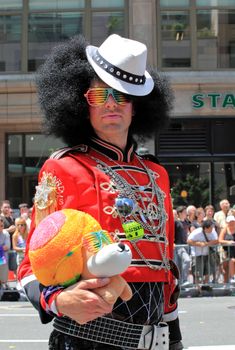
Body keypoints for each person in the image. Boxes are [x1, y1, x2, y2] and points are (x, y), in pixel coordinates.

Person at [18, 34, 183, 350]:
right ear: (82, 103)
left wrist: (174, 337)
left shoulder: (157, 174)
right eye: (99, 96)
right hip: (86, 340)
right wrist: (59, 300)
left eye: (122, 97)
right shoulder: (63, 168)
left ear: (136, 108)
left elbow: (166, 265)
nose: (110, 104)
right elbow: (32, 262)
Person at [187, 219, 218, 285]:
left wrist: (207, 243)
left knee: (208, 272)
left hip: (207, 254)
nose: (212, 229)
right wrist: (199, 244)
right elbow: (189, 241)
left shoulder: (213, 231)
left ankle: (205, 286)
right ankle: (198, 288)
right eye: (210, 228)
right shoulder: (197, 232)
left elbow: (216, 240)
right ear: (205, 228)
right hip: (197, 255)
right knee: (197, 272)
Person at [174, 206, 191, 287]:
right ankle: (184, 279)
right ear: (180, 213)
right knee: (186, 260)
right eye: (184, 212)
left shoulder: (187, 222)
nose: (186, 214)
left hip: (186, 246)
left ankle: (181, 283)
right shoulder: (176, 222)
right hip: (179, 246)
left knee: (181, 264)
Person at [218, 215, 235, 283]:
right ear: (227, 222)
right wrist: (228, 242)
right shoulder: (224, 229)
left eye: (233, 221)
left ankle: (233, 277)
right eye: (230, 221)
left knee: (232, 261)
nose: (232, 223)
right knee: (226, 267)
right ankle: (227, 282)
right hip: (226, 251)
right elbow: (220, 240)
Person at [0, 218, 11, 289]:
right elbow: (3, 247)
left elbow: (7, 247)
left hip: (3, 260)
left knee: (3, 279)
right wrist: (1, 247)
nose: (1, 227)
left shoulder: (6, 233)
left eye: (2, 225)